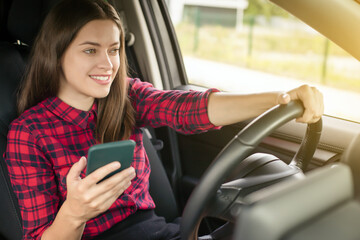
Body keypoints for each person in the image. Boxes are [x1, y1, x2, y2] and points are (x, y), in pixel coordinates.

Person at [4, 0, 323, 239]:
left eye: (113, 50)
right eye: (90, 50)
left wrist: (281, 98)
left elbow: (189, 107)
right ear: (56, 53)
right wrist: (75, 212)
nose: (107, 64)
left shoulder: (125, 96)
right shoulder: (29, 133)